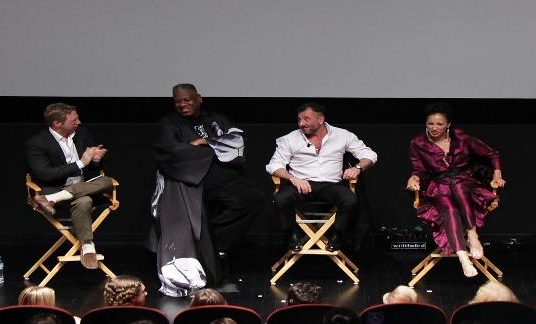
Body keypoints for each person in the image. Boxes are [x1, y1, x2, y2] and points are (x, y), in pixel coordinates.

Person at [148, 84, 264, 291]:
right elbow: (171, 151)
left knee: (252, 199)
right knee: (191, 217)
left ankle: (214, 241)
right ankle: (203, 251)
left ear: (199, 98)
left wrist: (204, 143)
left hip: (222, 176)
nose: (182, 105)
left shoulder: (216, 118)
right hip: (189, 181)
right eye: (177, 101)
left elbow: (236, 142)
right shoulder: (168, 123)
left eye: (187, 100)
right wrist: (213, 147)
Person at [406, 103, 505, 277]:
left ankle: (473, 236)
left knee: (459, 187)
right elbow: (419, 170)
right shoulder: (417, 143)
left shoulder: (462, 139)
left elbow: (492, 154)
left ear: (448, 124)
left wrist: (497, 175)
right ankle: (463, 258)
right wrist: (413, 178)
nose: (434, 128)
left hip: (465, 182)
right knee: (449, 209)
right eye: (430, 124)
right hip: (439, 186)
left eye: (439, 124)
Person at [266, 103, 377, 253]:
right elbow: (274, 165)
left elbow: (369, 155)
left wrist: (357, 168)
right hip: (301, 184)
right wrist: (292, 178)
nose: (301, 123)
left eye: (306, 119)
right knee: (280, 199)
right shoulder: (289, 139)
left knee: (350, 200)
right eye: (299, 120)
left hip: (331, 185)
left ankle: (337, 236)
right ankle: (293, 236)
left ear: (320, 120)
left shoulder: (342, 135)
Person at [25, 102, 113, 269]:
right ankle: (88, 247)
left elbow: (94, 168)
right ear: (57, 124)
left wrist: (96, 160)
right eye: (74, 120)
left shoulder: (82, 134)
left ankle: (49, 199)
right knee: (84, 201)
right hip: (57, 188)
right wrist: (81, 163)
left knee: (107, 181)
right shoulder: (37, 143)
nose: (78, 122)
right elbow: (45, 174)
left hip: (82, 187)